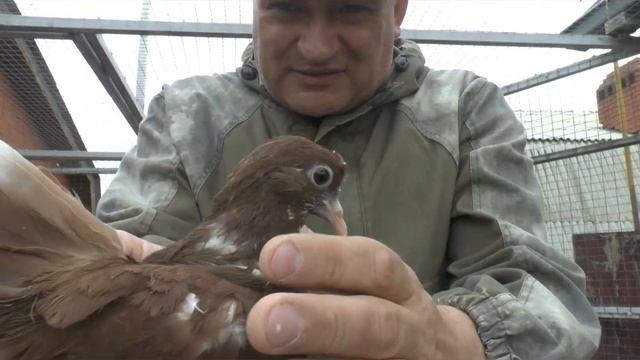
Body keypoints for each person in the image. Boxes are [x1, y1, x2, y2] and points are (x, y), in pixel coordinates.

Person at [97, 0, 601, 358]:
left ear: (398, 10)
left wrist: (445, 340)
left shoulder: (463, 110)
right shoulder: (187, 114)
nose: (316, 47)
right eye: (287, 8)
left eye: (352, 9)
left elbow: (548, 301)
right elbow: (135, 253)